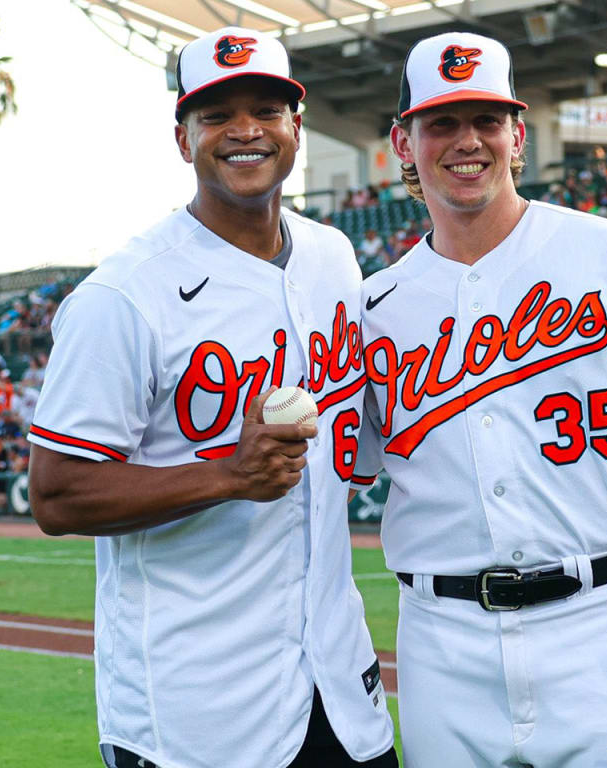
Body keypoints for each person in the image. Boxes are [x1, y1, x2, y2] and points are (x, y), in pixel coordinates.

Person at [357, 31, 607, 767]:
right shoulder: (371, 308)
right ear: (403, 141)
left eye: (487, 120)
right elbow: (330, 485)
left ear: (518, 135)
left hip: (602, 628)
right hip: (440, 645)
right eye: (442, 123)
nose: (468, 142)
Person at [26, 29, 396, 768]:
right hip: (194, 712)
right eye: (217, 115)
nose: (245, 130)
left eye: (266, 108)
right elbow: (57, 495)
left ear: (298, 126)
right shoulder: (123, 295)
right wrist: (228, 476)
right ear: (183, 137)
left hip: (342, 696)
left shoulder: (333, 258)